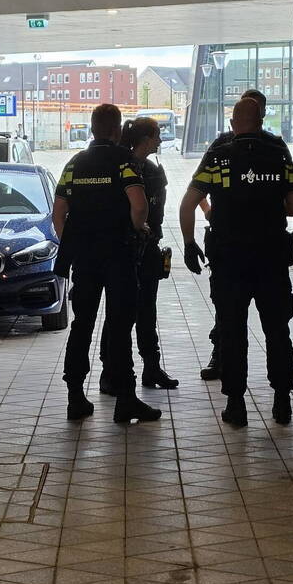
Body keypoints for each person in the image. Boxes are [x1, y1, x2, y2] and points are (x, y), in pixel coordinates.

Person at [180, 99, 293, 426]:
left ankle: (236, 405)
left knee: (232, 331)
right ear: (261, 121)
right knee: (277, 329)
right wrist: (267, 201)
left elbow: (189, 203)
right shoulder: (278, 153)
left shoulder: (219, 155)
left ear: (234, 122)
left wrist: (190, 243)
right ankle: (281, 401)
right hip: (270, 257)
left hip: (229, 259)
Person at [54, 104, 162, 424]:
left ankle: (75, 396)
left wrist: (75, 242)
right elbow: (139, 205)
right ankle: (125, 399)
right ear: (116, 131)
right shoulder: (124, 161)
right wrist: (137, 228)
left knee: (82, 325)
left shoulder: (75, 163)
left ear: (91, 129)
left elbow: (58, 213)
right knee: (119, 326)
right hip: (118, 254)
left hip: (85, 258)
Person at [99, 118, 178, 393]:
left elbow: (158, 211)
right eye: (157, 135)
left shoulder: (154, 170)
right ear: (147, 138)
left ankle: (151, 367)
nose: (160, 141)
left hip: (148, 248)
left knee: (147, 310)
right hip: (124, 249)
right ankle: (110, 371)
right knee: (119, 313)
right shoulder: (121, 166)